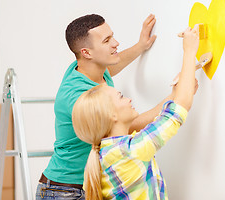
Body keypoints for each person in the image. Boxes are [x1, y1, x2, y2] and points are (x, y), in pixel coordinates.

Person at [36, 13, 172, 200]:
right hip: (64, 191)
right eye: (107, 40)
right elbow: (130, 125)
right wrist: (175, 97)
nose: (115, 43)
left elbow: (111, 67)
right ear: (86, 53)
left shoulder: (91, 69)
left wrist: (140, 46)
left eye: (112, 36)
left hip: (88, 186)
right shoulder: (79, 95)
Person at [71, 25, 200, 200]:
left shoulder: (106, 153)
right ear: (112, 116)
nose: (129, 99)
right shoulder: (131, 150)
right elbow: (179, 109)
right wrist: (190, 49)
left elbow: (174, 106)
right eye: (121, 97)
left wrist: (179, 91)